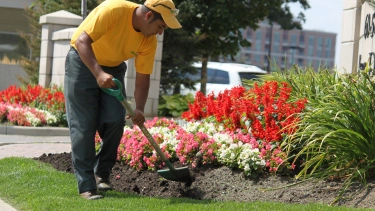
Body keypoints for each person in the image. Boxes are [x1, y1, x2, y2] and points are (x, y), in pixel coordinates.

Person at [64, 0, 181, 200]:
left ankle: (101, 173)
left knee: (115, 119)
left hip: (114, 67)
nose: (160, 33)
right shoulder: (112, 10)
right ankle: (87, 185)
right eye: (161, 27)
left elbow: (143, 77)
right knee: (83, 125)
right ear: (149, 16)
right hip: (83, 62)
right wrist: (98, 73)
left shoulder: (148, 40)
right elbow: (82, 41)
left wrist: (140, 109)